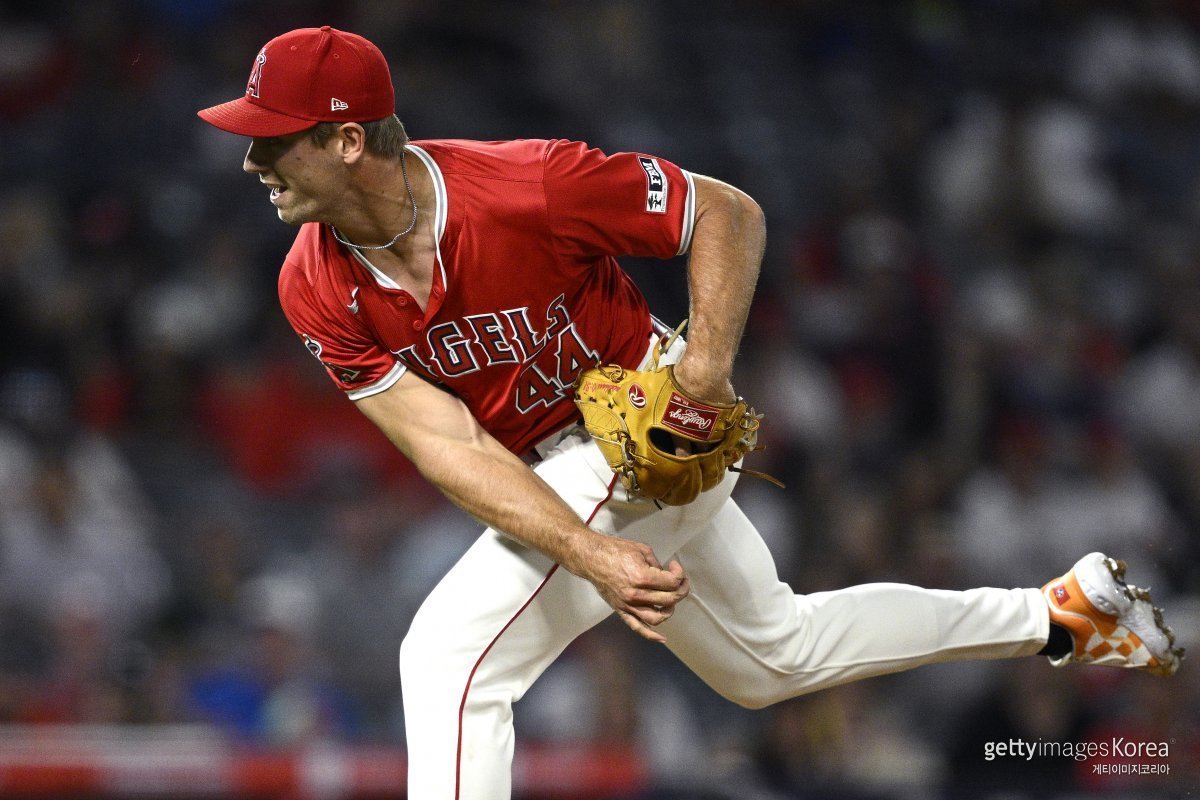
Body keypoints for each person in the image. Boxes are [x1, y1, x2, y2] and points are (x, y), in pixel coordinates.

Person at [197, 26, 1183, 799]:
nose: (250, 161)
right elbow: (446, 443)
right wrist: (589, 552)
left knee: (448, 658)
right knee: (773, 658)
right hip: (553, 468)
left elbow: (726, 211)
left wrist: (704, 372)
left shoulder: (525, 185)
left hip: (654, 421)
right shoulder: (310, 283)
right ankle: (1062, 615)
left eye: (271, 139)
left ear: (348, 139)